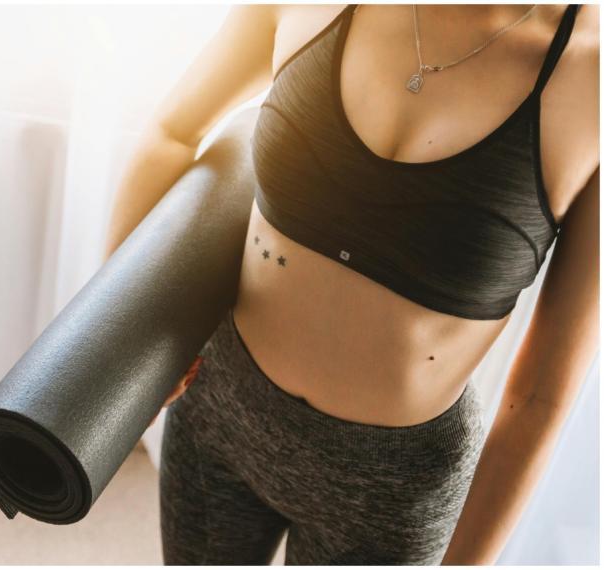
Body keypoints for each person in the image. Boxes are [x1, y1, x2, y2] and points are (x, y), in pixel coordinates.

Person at [103, 4, 598, 565]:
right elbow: (171, 133)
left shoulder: (591, 81)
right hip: (221, 414)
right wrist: (124, 359)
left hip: (392, 495)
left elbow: (538, 399)